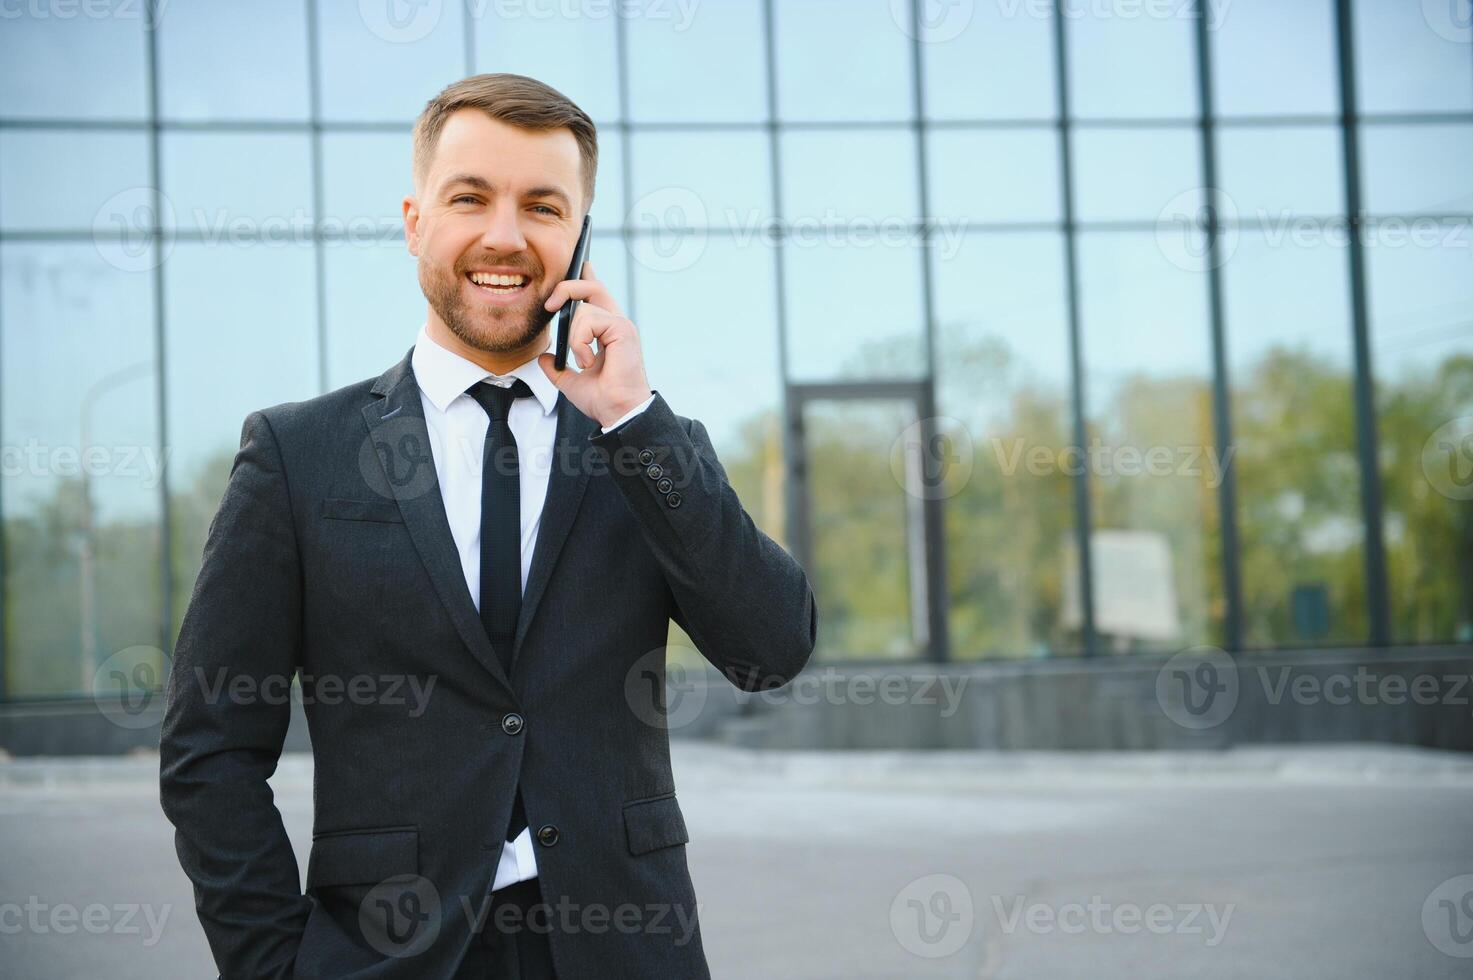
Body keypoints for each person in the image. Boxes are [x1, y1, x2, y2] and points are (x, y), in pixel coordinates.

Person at [159, 73, 817, 979]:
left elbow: (769, 649)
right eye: (469, 197)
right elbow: (210, 748)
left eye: (543, 207)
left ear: (579, 235)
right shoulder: (295, 456)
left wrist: (634, 423)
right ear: (414, 221)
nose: (505, 236)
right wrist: (277, 965)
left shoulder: (644, 444)